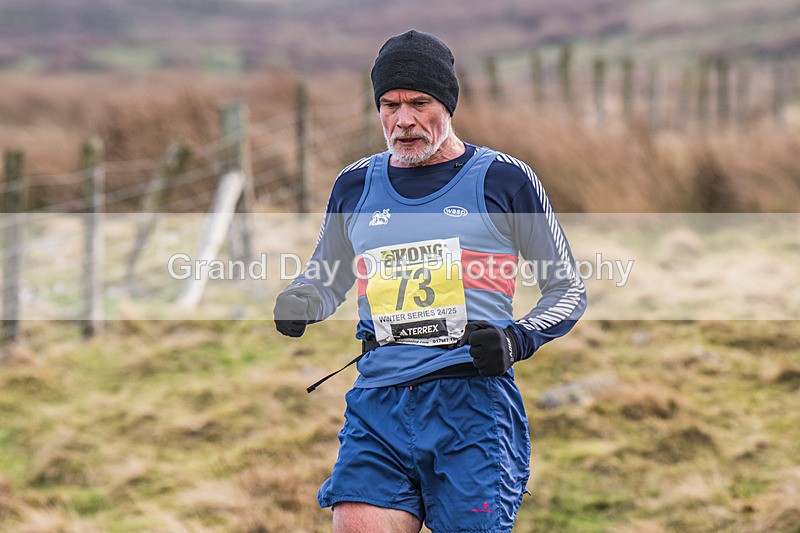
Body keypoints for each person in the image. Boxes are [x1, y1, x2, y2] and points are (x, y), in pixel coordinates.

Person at [273, 29, 587, 533]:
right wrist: (301, 300)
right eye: (390, 105)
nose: (404, 121)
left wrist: (515, 338)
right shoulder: (354, 184)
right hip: (378, 404)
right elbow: (326, 276)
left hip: (471, 407)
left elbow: (567, 289)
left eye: (420, 102)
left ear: (448, 104)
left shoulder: (504, 179)